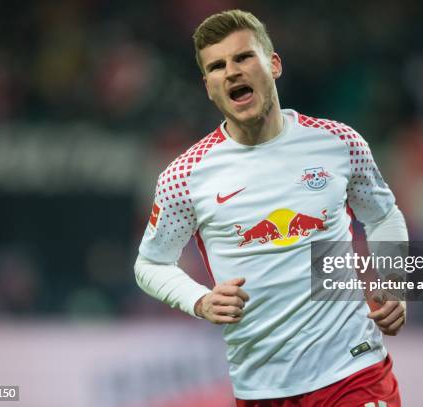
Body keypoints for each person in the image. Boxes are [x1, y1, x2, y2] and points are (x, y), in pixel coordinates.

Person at [135, 9, 408, 407]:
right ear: (209, 86)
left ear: (273, 64)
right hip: (261, 389)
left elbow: (382, 214)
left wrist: (396, 282)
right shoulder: (185, 177)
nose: (231, 71)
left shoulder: (338, 143)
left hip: (353, 372)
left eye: (243, 57)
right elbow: (150, 264)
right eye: (217, 66)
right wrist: (199, 300)